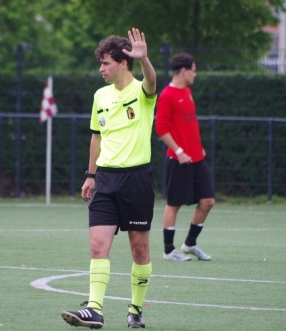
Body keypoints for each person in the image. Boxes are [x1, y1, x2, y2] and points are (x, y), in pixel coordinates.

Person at [61, 27, 157, 329]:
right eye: (100, 64)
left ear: (122, 63)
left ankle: (135, 309)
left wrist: (146, 60)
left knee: (139, 250)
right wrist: (90, 174)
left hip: (136, 180)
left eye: (106, 63)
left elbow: (152, 82)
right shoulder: (99, 95)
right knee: (96, 246)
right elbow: (96, 137)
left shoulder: (141, 92)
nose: (101, 69)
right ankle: (94, 308)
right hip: (105, 180)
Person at [155, 53, 215, 262]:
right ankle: (169, 250)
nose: (195, 74)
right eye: (194, 70)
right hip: (178, 159)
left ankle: (189, 244)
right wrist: (179, 152)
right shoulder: (167, 95)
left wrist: (199, 148)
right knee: (174, 204)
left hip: (197, 158)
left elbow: (190, 124)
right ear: (184, 71)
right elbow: (161, 129)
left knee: (207, 201)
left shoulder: (188, 92)